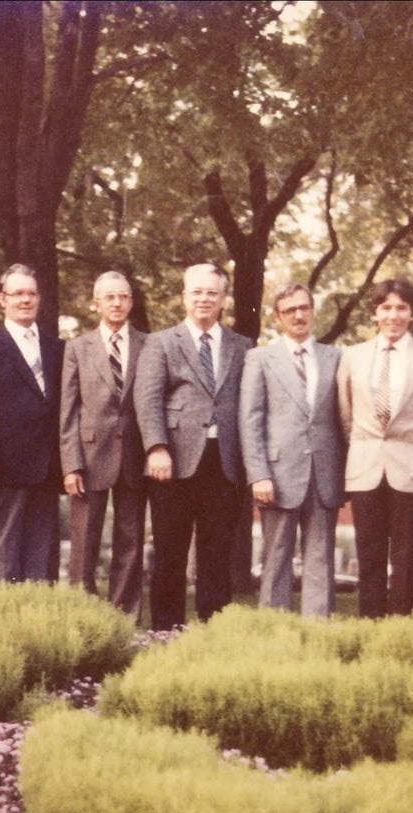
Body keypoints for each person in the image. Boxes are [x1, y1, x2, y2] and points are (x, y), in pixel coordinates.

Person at [134, 262, 252, 627]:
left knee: (217, 554)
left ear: (223, 299)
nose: (204, 299)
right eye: (196, 292)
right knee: (170, 551)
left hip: (225, 462)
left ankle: (212, 632)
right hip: (174, 461)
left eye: (211, 293)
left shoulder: (242, 345)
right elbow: (148, 399)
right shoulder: (161, 342)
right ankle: (165, 631)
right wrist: (156, 448)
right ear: (184, 296)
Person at [337, 279, 413, 617]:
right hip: (366, 467)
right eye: (386, 307)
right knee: (369, 554)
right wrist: (363, 447)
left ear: (412, 313)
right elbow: (346, 415)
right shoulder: (352, 357)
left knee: (408, 558)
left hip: (412, 469)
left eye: (401, 308)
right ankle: (370, 624)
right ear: (375, 313)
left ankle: (402, 627)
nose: (393, 315)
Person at [240, 283, 346, 618]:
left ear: (313, 310)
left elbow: (345, 417)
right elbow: (250, 420)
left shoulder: (337, 357)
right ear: (277, 317)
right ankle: (276, 630)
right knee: (276, 557)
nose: (298, 316)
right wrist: (258, 474)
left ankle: (318, 634)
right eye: (289, 310)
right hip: (278, 475)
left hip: (325, 473)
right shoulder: (260, 358)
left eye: (304, 308)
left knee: (321, 560)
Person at [0, 264, 63, 594]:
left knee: (40, 552)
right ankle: (1, 622)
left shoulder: (56, 348)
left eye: (31, 293)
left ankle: (35, 623)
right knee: (4, 551)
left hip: (47, 468)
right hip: (3, 467)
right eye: (18, 293)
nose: (25, 300)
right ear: (2, 300)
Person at [59, 271, 148, 621]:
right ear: (95, 303)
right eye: (109, 297)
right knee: (84, 541)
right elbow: (67, 412)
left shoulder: (148, 344)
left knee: (131, 540)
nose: (116, 303)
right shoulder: (77, 348)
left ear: (131, 301)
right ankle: (82, 614)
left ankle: (124, 615)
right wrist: (70, 464)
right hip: (89, 455)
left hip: (134, 455)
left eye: (123, 296)